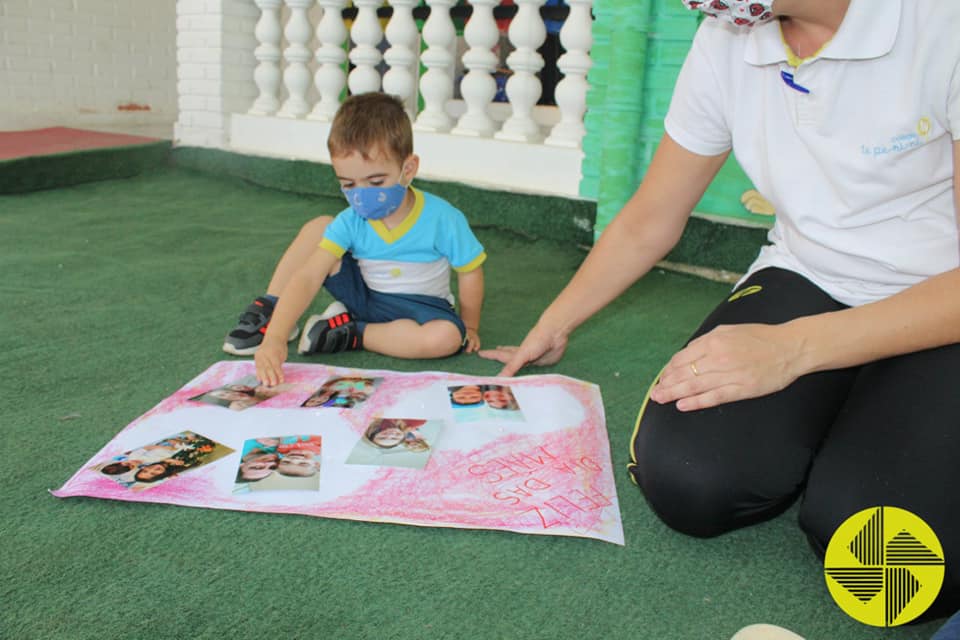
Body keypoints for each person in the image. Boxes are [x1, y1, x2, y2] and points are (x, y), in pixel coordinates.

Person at [481, 0, 960, 616]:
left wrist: (794, 350)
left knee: (887, 574)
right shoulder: (725, 38)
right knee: (688, 480)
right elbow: (653, 215)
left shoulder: (941, 23)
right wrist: (554, 321)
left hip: (936, 301)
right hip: (808, 274)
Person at [224, 93, 486, 386]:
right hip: (363, 296)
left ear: (408, 169)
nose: (362, 194)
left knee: (447, 338)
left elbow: (470, 271)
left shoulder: (443, 218)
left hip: (422, 307)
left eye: (376, 182)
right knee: (320, 228)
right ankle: (271, 310)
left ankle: (349, 333)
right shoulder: (351, 220)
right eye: (348, 184)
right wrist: (275, 337)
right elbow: (309, 275)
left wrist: (470, 325)